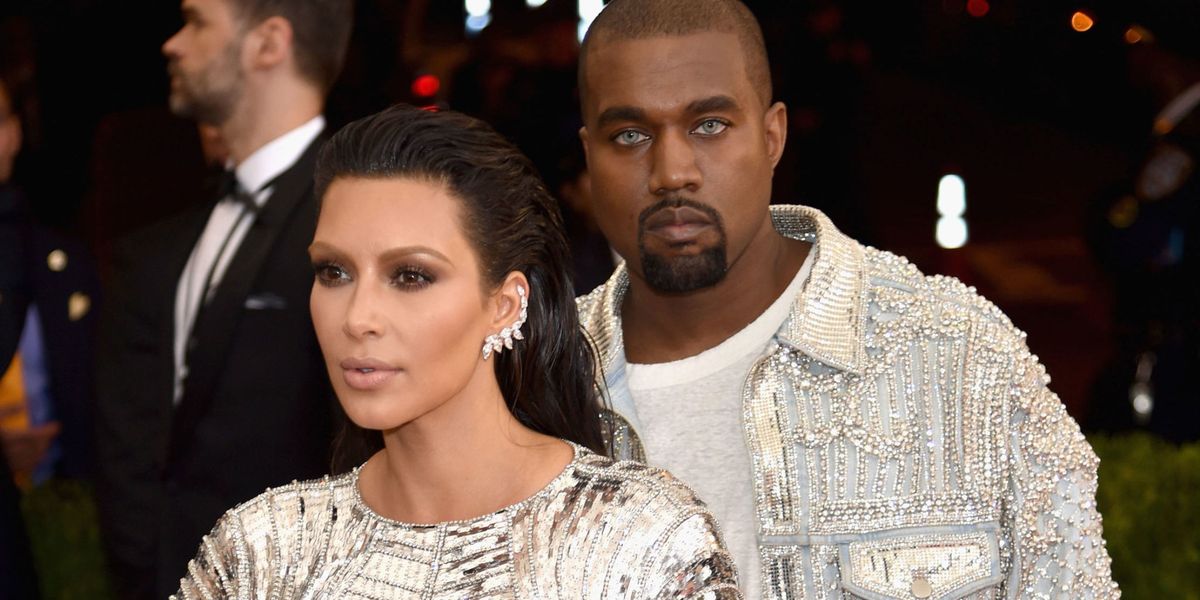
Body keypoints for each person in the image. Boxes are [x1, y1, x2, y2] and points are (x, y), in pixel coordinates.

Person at [574, 0, 1120, 597]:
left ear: (772, 135)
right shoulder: (529, 383)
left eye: (709, 125)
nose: (672, 170)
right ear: (588, 158)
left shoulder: (961, 357)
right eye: (629, 135)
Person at [172, 104, 740, 599]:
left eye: (411, 276)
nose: (358, 317)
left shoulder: (641, 540)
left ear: (505, 303)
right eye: (334, 271)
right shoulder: (259, 551)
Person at [93, 0, 353, 596]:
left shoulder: (348, 217)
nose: (173, 44)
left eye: (196, 20)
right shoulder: (186, 227)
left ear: (268, 43)